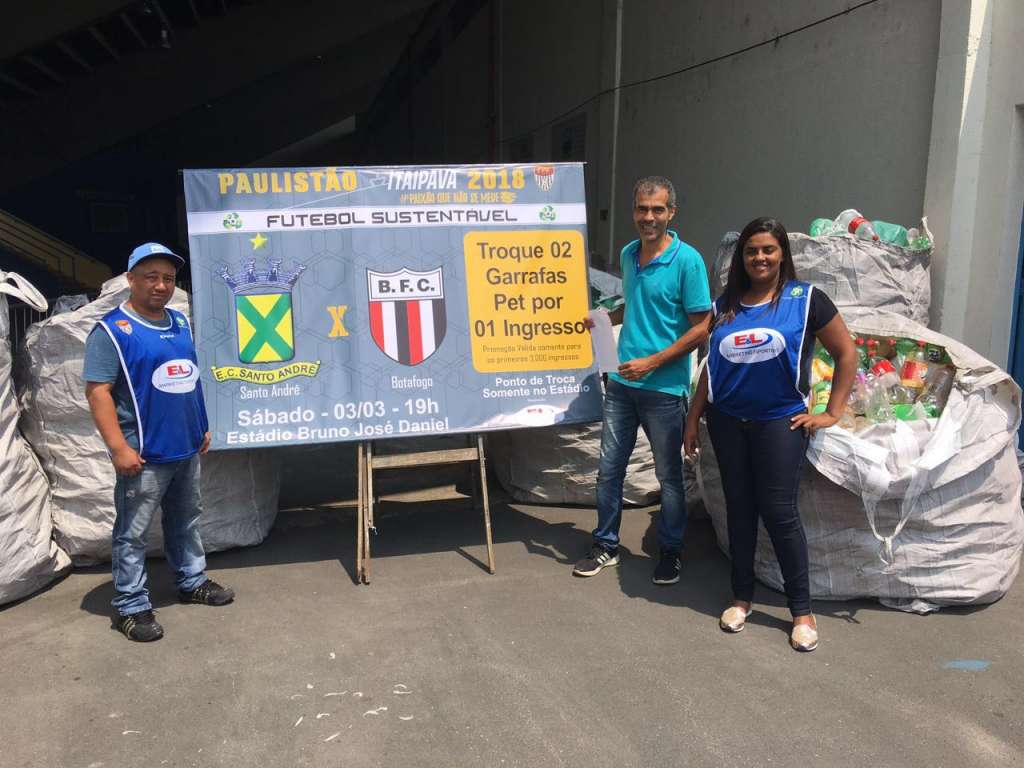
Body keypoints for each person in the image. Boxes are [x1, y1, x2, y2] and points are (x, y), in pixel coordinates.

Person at [683, 217, 856, 651]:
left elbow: (846, 353)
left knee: (779, 513)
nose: (759, 258)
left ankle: (802, 611)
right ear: (742, 258)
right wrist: (693, 419)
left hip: (780, 422)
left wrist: (831, 413)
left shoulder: (806, 299)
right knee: (739, 510)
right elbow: (712, 368)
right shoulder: (727, 304)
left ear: (782, 254)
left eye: (767, 250)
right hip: (727, 422)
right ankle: (741, 598)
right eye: (751, 251)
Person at [84, 243, 234, 643]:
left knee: (186, 519)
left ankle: (191, 581)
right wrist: (119, 448)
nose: (161, 285)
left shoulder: (180, 322)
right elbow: (98, 392)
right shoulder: (112, 332)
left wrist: (201, 424)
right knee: (131, 532)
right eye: (151, 276)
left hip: (185, 447)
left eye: (168, 278)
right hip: (144, 453)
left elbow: (188, 376)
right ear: (130, 279)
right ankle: (131, 607)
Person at [574, 176, 712, 584]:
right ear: (633, 210)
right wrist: (602, 320)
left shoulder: (688, 261)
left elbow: (702, 327)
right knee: (608, 472)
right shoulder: (630, 253)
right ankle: (605, 545)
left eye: (657, 210)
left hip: (664, 391)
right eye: (641, 209)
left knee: (669, 479)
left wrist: (653, 363)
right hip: (621, 386)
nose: (648, 217)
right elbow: (633, 309)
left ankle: (670, 552)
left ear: (671, 213)